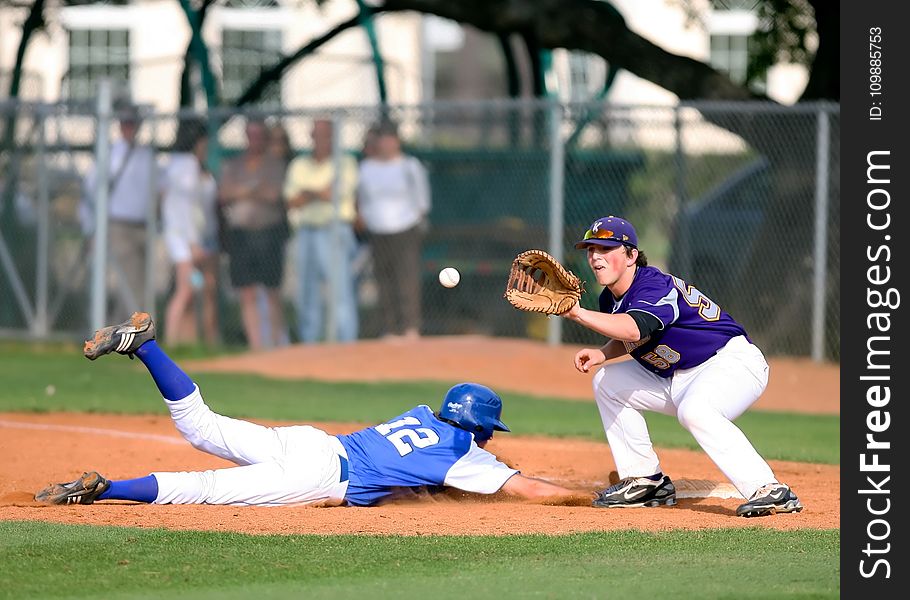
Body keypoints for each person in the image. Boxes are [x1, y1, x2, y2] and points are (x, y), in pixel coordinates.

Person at [35, 312, 578, 507]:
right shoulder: (465, 456)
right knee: (203, 488)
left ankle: (146, 345)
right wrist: (592, 500)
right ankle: (106, 489)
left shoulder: (421, 415)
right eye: (488, 432)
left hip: (312, 441)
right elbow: (525, 488)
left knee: (200, 426)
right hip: (320, 474)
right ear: (480, 428)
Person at [563, 215, 803, 517]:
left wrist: (577, 314)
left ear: (631, 255)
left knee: (696, 411)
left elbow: (636, 327)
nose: (595, 256)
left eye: (606, 248)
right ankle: (646, 481)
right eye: (591, 250)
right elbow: (636, 335)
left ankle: (769, 489)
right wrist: (603, 354)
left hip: (730, 363)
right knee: (607, 382)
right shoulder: (609, 299)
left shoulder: (653, 286)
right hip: (678, 376)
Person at [80, 101, 161, 322]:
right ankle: (133, 333)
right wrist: (90, 229)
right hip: (119, 226)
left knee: (140, 283)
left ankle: (122, 330)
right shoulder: (110, 155)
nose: (129, 128)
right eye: (125, 123)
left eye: (132, 123)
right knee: (131, 283)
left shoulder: (146, 155)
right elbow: (90, 193)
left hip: (144, 225)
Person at [284, 118, 360, 343]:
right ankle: (310, 345)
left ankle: (345, 344)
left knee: (340, 291)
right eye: (315, 134)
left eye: (325, 134)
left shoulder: (345, 162)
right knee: (306, 291)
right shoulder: (299, 165)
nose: (320, 139)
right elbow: (292, 201)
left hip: (334, 230)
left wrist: (307, 193)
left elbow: (334, 195)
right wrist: (319, 192)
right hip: (306, 231)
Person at [217, 118, 289, 350]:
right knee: (246, 291)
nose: (255, 140)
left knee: (272, 291)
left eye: (259, 135)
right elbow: (224, 193)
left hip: (268, 234)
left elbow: (273, 194)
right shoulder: (234, 164)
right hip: (241, 236)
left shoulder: (275, 164)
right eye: (251, 135)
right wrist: (253, 188)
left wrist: (241, 191)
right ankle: (257, 346)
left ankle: (277, 344)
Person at [356, 121, 430, 341]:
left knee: (406, 278)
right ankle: (390, 329)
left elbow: (422, 200)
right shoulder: (367, 168)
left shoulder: (410, 166)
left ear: (397, 141)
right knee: (383, 279)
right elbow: (361, 199)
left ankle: (410, 327)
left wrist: (415, 220)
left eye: (390, 139)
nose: (386, 144)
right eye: (382, 139)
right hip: (377, 230)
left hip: (405, 228)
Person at [161, 117, 220, 347]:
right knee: (185, 290)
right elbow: (186, 209)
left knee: (197, 288)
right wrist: (194, 243)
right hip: (183, 239)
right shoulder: (187, 166)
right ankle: (171, 341)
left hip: (185, 237)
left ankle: (189, 341)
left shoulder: (177, 165)